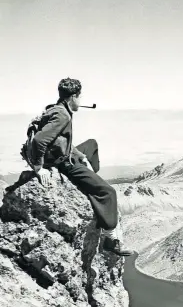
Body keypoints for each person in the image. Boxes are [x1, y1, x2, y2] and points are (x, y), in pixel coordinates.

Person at [31, 77, 133, 256]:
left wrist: (81, 156)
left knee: (91, 145)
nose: (81, 100)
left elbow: (63, 142)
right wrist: (39, 168)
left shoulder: (57, 109)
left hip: (66, 154)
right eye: (80, 96)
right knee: (109, 192)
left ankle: (91, 177)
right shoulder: (62, 115)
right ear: (73, 97)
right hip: (63, 163)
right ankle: (110, 240)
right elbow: (40, 140)